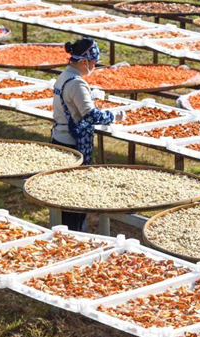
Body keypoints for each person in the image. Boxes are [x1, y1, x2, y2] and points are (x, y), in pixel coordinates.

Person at [51, 37, 124, 232]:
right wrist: (113, 115)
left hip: (59, 136)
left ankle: (64, 229)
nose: (93, 67)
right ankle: (75, 234)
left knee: (63, 192)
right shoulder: (76, 83)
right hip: (72, 143)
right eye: (92, 63)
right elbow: (91, 115)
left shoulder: (64, 76)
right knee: (74, 196)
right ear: (84, 61)